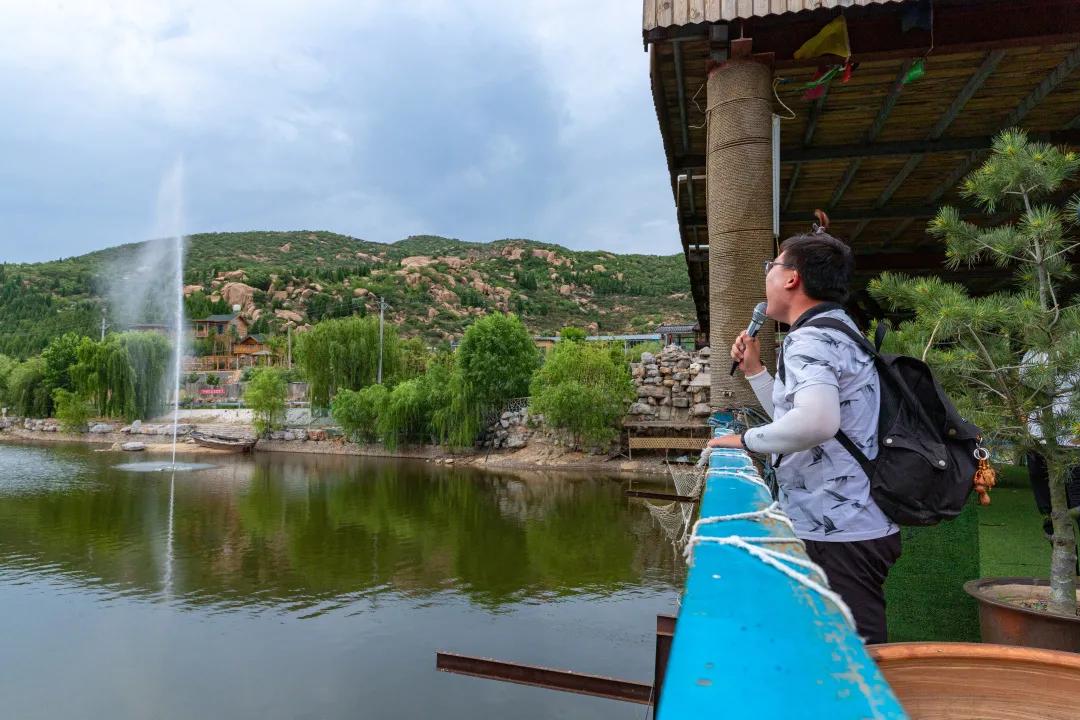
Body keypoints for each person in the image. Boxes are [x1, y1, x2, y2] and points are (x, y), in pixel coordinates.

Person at [706, 232, 900, 643]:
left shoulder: (809, 338)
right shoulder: (838, 329)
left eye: (772, 266)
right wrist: (756, 372)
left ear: (791, 278)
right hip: (848, 522)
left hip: (839, 530)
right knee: (830, 645)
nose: (768, 275)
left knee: (853, 653)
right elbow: (799, 420)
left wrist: (745, 440)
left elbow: (816, 423)